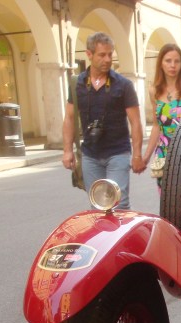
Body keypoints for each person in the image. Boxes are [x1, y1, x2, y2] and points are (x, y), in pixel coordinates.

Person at [62, 32, 144, 210]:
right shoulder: (78, 83)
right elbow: (69, 118)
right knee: (98, 205)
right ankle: (103, 238)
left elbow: (135, 121)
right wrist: (67, 150)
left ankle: (122, 238)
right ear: (89, 54)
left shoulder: (123, 85)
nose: (107, 59)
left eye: (110, 54)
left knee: (119, 203)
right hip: (90, 154)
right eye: (102, 55)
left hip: (118, 152)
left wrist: (137, 154)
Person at [142, 44, 181, 188]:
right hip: (163, 153)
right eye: (168, 61)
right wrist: (146, 156)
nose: (173, 65)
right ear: (161, 64)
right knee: (166, 198)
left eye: (177, 61)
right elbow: (156, 126)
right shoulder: (154, 91)